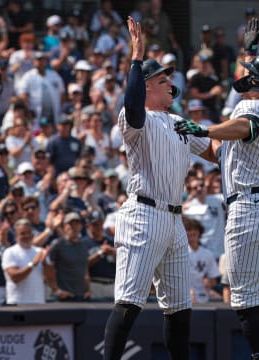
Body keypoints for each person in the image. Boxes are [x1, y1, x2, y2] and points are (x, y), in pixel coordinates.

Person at [103, 17, 220, 360]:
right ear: (146, 86)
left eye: (170, 77)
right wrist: (136, 60)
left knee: (180, 308)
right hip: (143, 213)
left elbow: (214, 151)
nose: (170, 82)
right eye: (162, 78)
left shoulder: (179, 122)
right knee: (128, 304)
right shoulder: (137, 116)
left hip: (174, 220)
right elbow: (134, 107)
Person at [174, 18, 259, 359]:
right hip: (248, 199)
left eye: (248, 82)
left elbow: (243, 127)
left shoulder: (251, 107)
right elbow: (221, 155)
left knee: (244, 296)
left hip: (248, 207)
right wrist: (193, 137)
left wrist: (205, 129)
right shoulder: (245, 105)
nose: (242, 88)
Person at [2, 219, 49, 305]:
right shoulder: (10, 252)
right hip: (17, 303)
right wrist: (32, 264)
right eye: (23, 233)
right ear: (16, 235)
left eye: (28, 232)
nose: (26, 236)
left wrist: (46, 264)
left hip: (38, 303)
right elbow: (15, 277)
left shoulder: (40, 252)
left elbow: (50, 280)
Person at [183, 216, 220, 304]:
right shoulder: (180, 253)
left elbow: (214, 280)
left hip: (203, 299)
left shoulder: (208, 254)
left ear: (199, 232)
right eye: (188, 230)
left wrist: (209, 282)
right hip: (184, 297)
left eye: (195, 229)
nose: (192, 232)